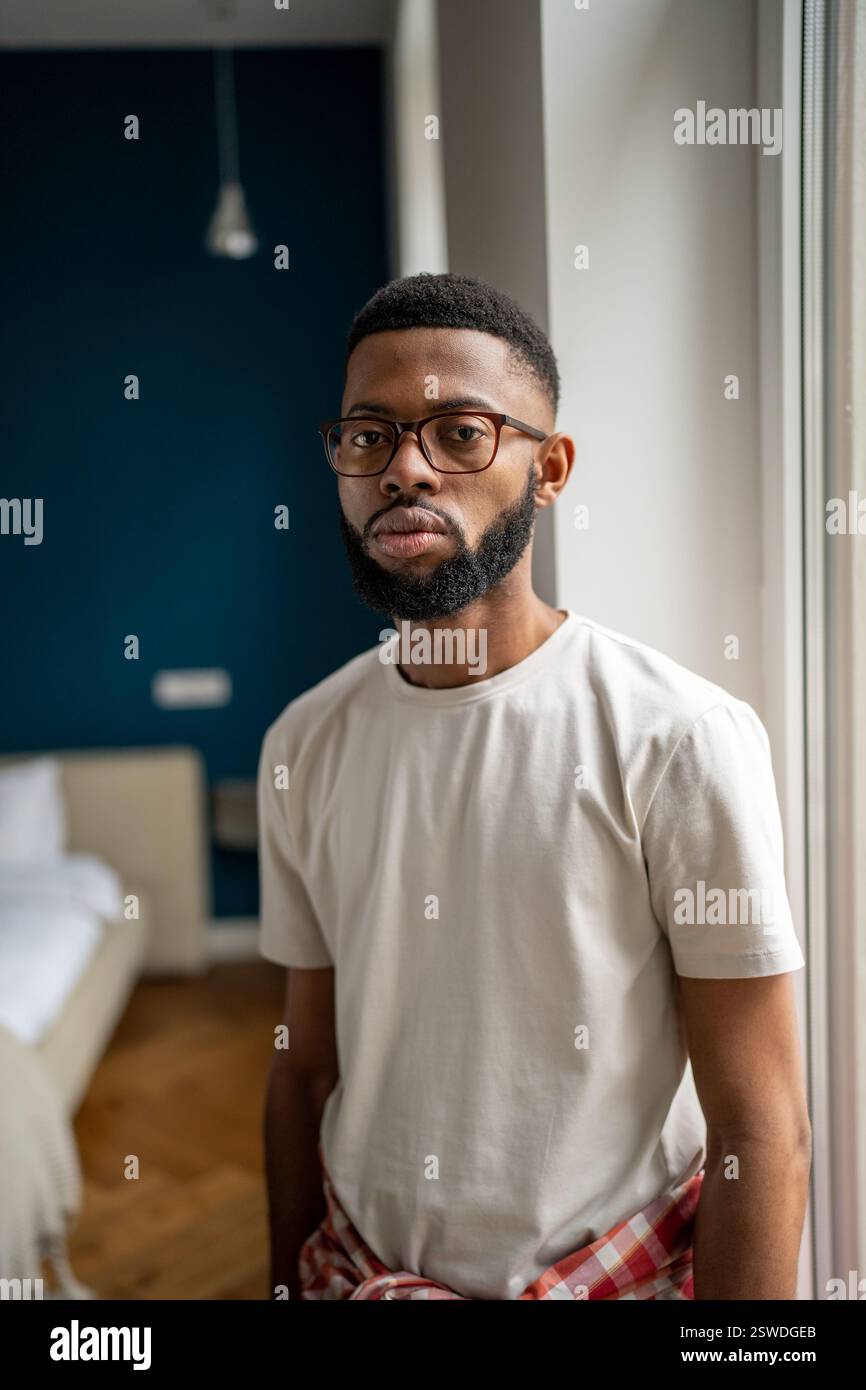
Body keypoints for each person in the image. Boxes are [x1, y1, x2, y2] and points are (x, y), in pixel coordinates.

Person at [258, 272, 811, 1301]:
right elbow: (301, 1070)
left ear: (548, 469)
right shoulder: (304, 740)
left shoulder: (678, 738)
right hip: (357, 1273)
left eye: (459, 432)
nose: (403, 469)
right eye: (368, 435)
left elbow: (758, 1125)